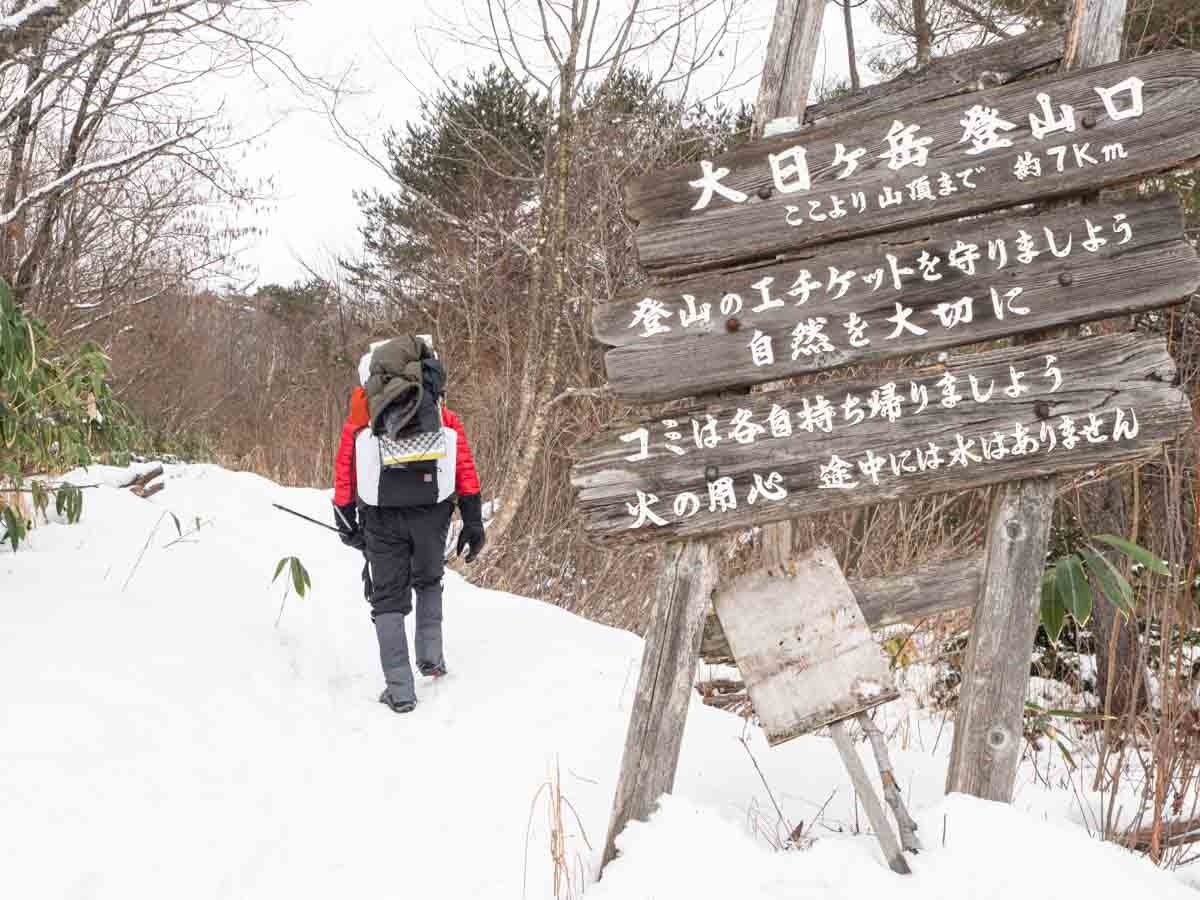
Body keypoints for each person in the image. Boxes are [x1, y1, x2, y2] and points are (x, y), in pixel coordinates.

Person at [331, 336, 486, 713]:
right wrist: (472, 519)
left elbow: (345, 469)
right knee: (429, 580)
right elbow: (463, 466)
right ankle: (431, 660)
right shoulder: (438, 412)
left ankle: (400, 690)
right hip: (432, 514)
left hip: (380, 518)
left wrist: (345, 519)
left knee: (387, 599)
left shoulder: (364, 415)